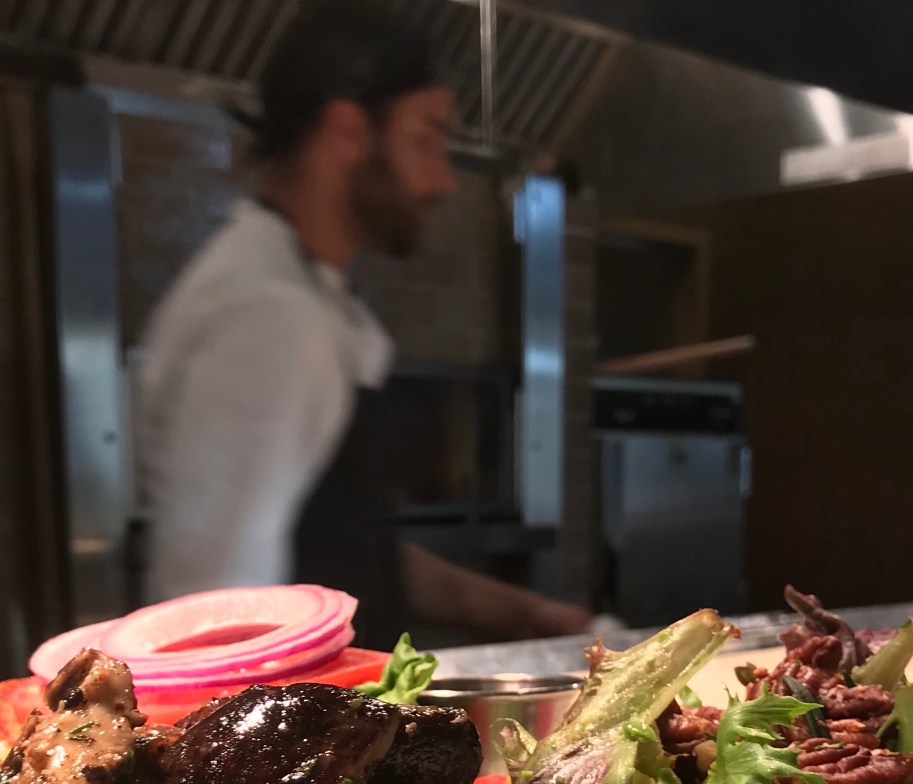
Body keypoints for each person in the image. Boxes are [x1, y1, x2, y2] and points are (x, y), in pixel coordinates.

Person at [135, 0, 594, 644]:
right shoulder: (265, 315)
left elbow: (349, 548)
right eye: (425, 138)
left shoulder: (311, 295)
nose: (444, 179)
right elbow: (215, 609)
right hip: (293, 711)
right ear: (348, 132)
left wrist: (531, 617)